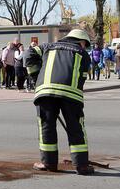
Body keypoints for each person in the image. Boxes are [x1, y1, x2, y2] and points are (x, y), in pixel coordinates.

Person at [25, 29, 93, 175]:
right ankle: (81, 165)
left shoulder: (47, 46)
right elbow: (82, 78)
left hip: (45, 92)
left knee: (46, 127)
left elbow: (28, 55)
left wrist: (36, 77)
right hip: (71, 95)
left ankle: (48, 163)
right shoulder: (83, 54)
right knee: (76, 128)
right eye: (84, 44)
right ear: (81, 42)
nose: (84, 47)